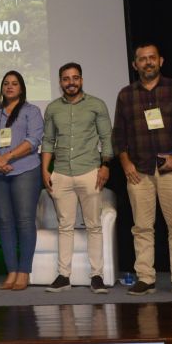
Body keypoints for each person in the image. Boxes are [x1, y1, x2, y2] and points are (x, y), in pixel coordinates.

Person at [113, 42, 172, 297]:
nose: (147, 62)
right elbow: (119, 135)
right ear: (135, 64)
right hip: (139, 170)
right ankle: (145, 278)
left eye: (152, 58)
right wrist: (125, 163)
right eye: (142, 59)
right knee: (141, 227)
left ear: (160, 61)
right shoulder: (126, 95)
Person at [41, 62, 113, 294]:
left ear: (81, 80)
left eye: (75, 78)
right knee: (65, 226)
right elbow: (48, 141)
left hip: (90, 171)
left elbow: (106, 137)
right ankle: (64, 276)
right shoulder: (52, 108)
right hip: (61, 172)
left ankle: (97, 276)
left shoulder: (96, 105)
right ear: (60, 82)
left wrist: (105, 166)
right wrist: (45, 169)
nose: (70, 82)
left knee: (93, 226)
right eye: (65, 79)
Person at [0, 71, 43, 292]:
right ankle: (11, 271)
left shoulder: (32, 111)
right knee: (4, 222)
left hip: (25, 170)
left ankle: (24, 271)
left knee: (25, 221)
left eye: (14, 83)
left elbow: (33, 139)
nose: (10, 87)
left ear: (21, 88)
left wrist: (7, 157)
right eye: (6, 84)